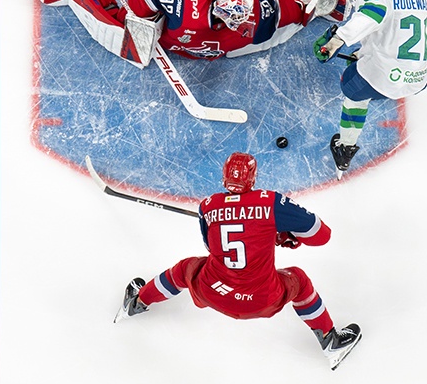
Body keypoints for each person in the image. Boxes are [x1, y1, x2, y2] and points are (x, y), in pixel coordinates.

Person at [113, 151, 362, 370]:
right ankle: (330, 340)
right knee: (299, 280)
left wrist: (261, 232)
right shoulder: (271, 202)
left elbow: (212, 248)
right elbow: (321, 235)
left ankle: (136, 303)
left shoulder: (208, 206)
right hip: (263, 299)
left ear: (224, 177)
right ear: (253, 178)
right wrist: (284, 233)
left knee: (185, 269)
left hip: (213, 291)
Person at [314, 0, 427, 176]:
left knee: (352, 85)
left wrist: (336, 41)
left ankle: (345, 147)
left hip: (385, 78)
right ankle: (376, 79)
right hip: (419, 78)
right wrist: (362, 54)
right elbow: (395, 32)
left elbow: (370, 17)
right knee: (367, 66)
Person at [125, 0, 352, 59]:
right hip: (187, 28)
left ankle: (306, 4)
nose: (246, 21)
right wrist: (143, 22)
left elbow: (273, 10)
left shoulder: (249, 7)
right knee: (269, 33)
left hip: (213, 44)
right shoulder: (185, 7)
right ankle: (305, 5)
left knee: (269, 31)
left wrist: (300, 8)